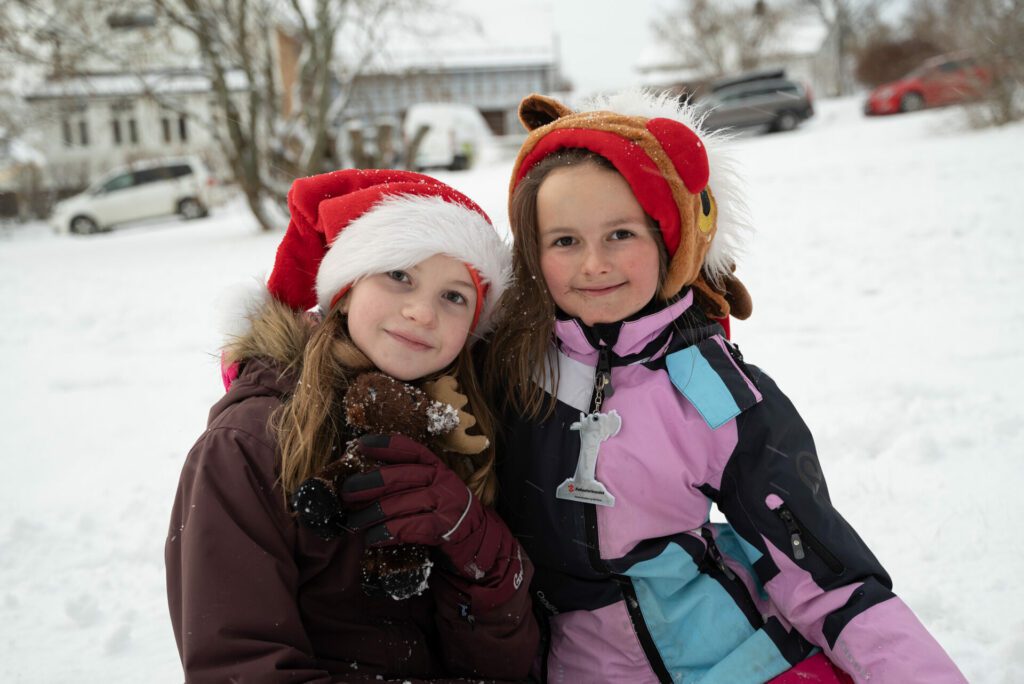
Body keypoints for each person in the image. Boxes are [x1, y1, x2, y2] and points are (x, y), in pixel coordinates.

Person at [486, 91, 966, 683]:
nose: (594, 264)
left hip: (729, 658)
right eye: (565, 241)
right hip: (558, 655)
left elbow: (818, 567)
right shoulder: (501, 367)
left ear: (670, 240)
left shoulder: (707, 388)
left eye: (621, 235)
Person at [166, 169, 538, 683]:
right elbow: (240, 665)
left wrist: (482, 553)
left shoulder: (472, 434)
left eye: (454, 296)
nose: (421, 312)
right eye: (399, 276)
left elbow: (509, 665)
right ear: (344, 289)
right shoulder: (251, 441)